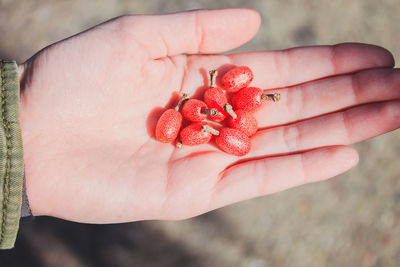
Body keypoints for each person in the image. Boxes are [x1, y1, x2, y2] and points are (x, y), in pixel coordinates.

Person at [0, 8, 399, 249]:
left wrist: (24, 127)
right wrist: (28, 122)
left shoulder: (219, 106)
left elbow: (219, 121)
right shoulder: (205, 108)